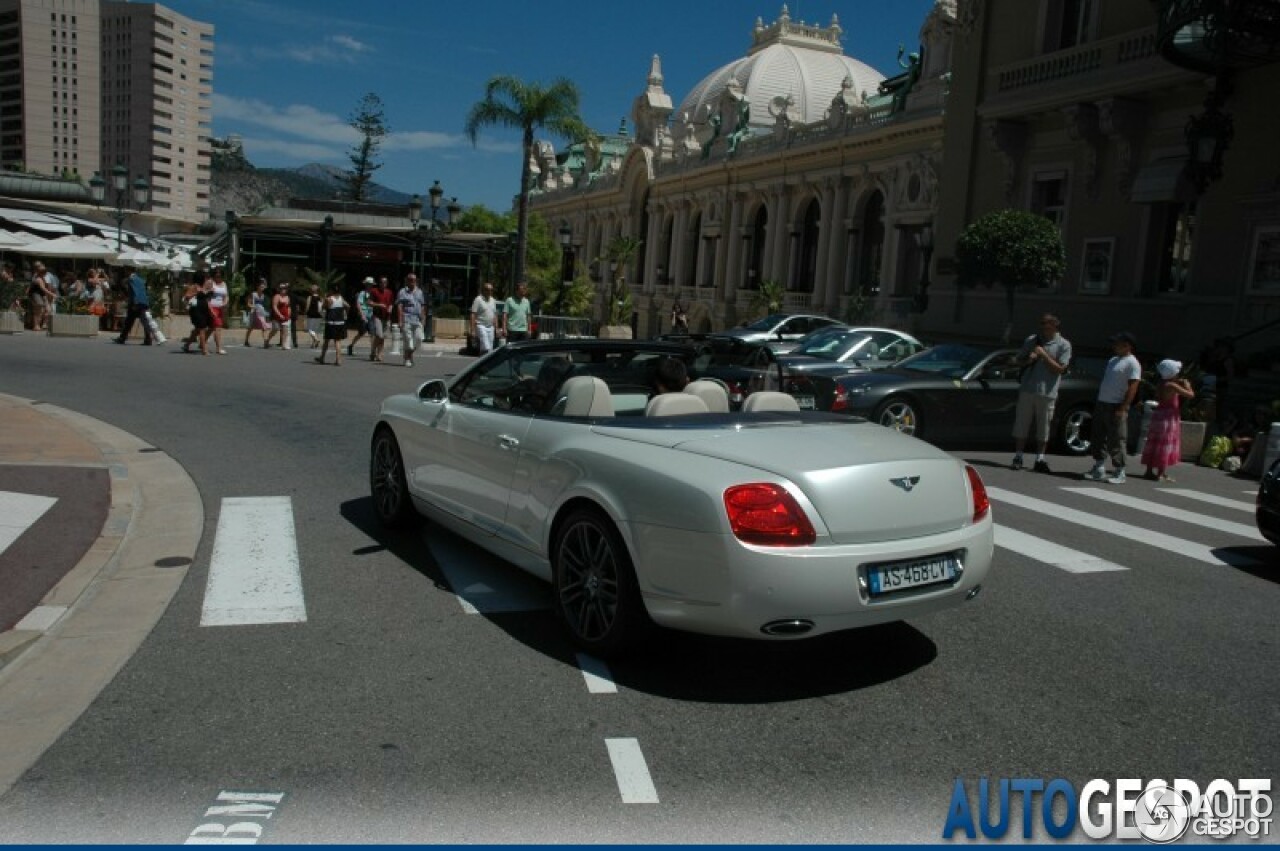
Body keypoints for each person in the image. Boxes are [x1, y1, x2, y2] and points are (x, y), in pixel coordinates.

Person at [1011, 313, 1072, 473]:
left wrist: (1044, 355)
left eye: (1046, 324)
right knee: (1022, 424)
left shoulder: (1063, 345)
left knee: (1043, 426)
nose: (1043, 327)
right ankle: (1018, 455)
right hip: (1028, 388)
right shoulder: (1032, 340)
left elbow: (1060, 369)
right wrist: (1029, 359)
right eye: (1041, 323)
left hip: (1047, 391)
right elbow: (1017, 361)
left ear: (1054, 325)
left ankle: (1040, 458)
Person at [1084, 332, 1142, 484]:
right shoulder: (1113, 360)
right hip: (1103, 402)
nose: (1114, 346)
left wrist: (1123, 407)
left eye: (1117, 343)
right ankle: (1099, 466)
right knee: (1099, 435)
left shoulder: (1132, 363)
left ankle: (1119, 470)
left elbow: (1133, 387)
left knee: (1117, 438)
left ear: (1127, 345)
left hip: (1116, 404)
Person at [1141, 359, 1195, 482]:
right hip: (1168, 417)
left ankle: (1149, 471)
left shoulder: (1162, 383)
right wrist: (1187, 385)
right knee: (1165, 443)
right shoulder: (1171, 385)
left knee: (1155, 442)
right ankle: (1161, 473)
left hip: (1159, 415)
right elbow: (1190, 395)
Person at [1199, 336, 1236, 426]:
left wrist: (1217, 380)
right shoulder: (1214, 358)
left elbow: (1230, 376)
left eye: (1222, 346)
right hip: (1209, 387)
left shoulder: (1228, 360)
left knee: (1219, 408)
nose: (1219, 348)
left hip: (1220, 388)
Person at [113, 267, 153, 345]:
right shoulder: (141, 280)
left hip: (135, 303)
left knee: (129, 321)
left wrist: (135, 302)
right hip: (143, 302)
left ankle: (122, 338)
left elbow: (135, 291)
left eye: (126, 270)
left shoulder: (131, 279)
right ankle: (148, 339)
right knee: (143, 321)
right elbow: (144, 291)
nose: (125, 272)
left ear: (129, 270)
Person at [315, 282, 350, 366]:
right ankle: (338, 360)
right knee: (337, 341)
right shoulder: (341, 298)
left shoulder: (329, 299)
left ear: (331, 290)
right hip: (340, 322)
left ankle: (322, 358)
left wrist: (324, 300)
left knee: (326, 341)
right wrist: (345, 314)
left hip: (331, 323)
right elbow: (348, 306)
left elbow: (323, 308)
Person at [395, 273, 426, 368]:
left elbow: (423, 305)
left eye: (414, 280)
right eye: (410, 280)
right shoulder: (402, 292)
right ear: (407, 281)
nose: (412, 282)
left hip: (417, 319)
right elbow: (399, 306)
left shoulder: (420, 292)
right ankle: (407, 358)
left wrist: (423, 318)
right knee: (408, 341)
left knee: (419, 338)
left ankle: (408, 355)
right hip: (407, 318)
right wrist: (400, 320)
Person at [181, 277, 213, 355]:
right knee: (202, 329)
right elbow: (187, 296)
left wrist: (211, 310)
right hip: (196, 310)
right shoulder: (195, 287)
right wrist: (196, 293)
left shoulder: (206, 288)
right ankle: (204, 350)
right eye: (205, 280)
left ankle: (187, 345)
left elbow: (207, 300)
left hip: (204, 310)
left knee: (201, 328)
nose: (207, 281)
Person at [367, 276, 394, 362]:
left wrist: (390, 308)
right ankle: (373, 352)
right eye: (382, 282)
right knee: (379, 335)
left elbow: (391, 303)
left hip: (386, 317)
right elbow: (369, 302)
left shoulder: (389, 292)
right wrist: (379, 305)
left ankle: (378, 354)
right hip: (377, 316)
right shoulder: (374, 291)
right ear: (379, 283)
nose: (383, 284)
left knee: (382, 337)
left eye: (385, 282)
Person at [347, 277, 373, 357]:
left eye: (370, 284)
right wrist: (362, 315)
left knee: (372, 333)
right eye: (368, 284)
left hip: (371, 314)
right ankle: (351, 345)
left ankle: (373, 351)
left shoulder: (373, 293)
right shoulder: (362, 293)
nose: (369, 285)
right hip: (364, 314)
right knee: (361, 333)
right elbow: (358, 304)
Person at [470, 282, 499, 355]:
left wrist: (497, 328)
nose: (490, 291)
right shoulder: (478, 299)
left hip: (491, 327)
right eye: (488, 289)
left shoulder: (493, 300)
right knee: (486, 347)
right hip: (481, 325)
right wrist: (473, 330)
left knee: (489, 350)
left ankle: (483, 362)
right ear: (483, 290)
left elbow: (495, 315)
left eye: (491, 290)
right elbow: (473, 314)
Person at [28, 262, 56, 332]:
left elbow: (46, 288)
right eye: (44, 272)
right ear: (39, 272)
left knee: (47, 309)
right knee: (38, 309)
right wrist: (52, 294)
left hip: (42, 295)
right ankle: (36, 325)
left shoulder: (42, 278)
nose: (46, 273)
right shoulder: (38, 279)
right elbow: (42, 288)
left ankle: (42, 324)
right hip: (36, 294)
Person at [264, 283, 292, 350]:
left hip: (285, 316)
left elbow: (288, 307)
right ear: (279, 289)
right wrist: (279, 315)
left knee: (285, 330)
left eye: (285, 288)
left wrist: (289, 314)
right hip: (276, 316)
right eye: (282, 288)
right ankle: (267, 340)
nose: (284, 290)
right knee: (275, 329)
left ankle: (284, 345)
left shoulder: (287, 297)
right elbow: (274, 306)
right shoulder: (277, 296)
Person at [243, 279, 271, 347]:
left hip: (260, 313)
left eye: (263, 287)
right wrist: (255, 307)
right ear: (257, 287)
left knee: (264, 327)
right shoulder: (253, 294)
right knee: (250, 327)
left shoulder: (263, 295)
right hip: (253, 313)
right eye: (261, 287)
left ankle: (265, 342)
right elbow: (248, 304)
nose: (262, 288)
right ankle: (246, 341)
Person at [208, 268, 229, 354]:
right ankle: (219, 348)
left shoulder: (224, 284)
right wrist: (210, 309)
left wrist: (225, 303)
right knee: (218, 327)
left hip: (220, 308)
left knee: (212, 328)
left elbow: (226, 296)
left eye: (220, 275)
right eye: (216, 275)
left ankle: (202, 342)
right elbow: (207, 297)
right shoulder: (211, 283)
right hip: (212, 307)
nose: (218, 277)